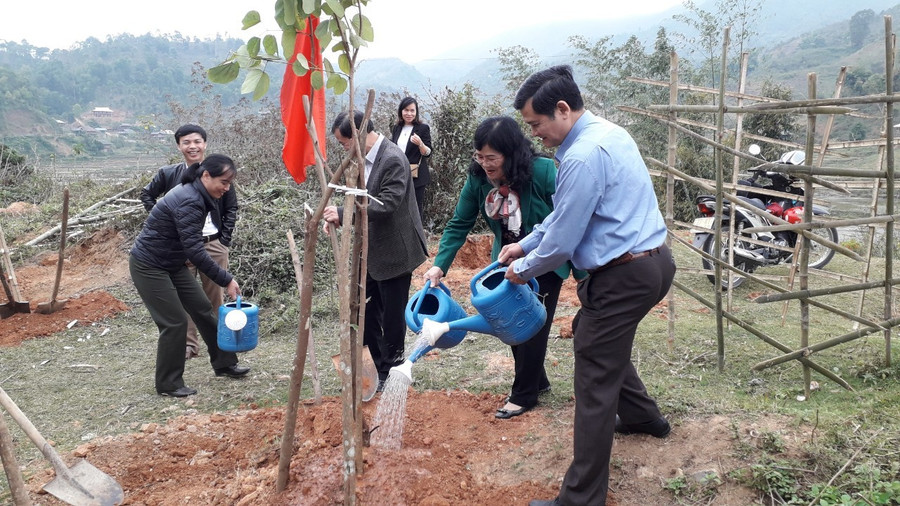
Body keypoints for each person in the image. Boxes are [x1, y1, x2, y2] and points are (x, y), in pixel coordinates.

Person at [497, 65, 675, 506]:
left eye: (536, 124)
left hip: (623, 275)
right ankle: (644, 418)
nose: (534, 134)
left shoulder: (580, 157)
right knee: (595, 338)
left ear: (562, 109)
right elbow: (563, 216)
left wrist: (522, 270)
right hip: (655, 263)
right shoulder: (610, 133)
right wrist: (524, 244)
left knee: (594, 377)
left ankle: (580, 499)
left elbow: (562, 243)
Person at [422, 116, 584, 419]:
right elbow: (459, 223)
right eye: (479, 156)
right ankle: (537, 381)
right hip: (505, 260)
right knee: (511, 323)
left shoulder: (543, 171)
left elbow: (570, 219)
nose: (484, 164)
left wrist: (583, 275)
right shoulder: (478, 179)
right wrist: (439, 266)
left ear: (511, 154)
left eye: (491, 157)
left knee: (530, 324)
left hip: (544, 259)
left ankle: (524, 394)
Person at [130, 154, 250, 397]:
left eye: (229, 183)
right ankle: (169, 383)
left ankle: (224, 363)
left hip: (173, 263)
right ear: (206, 175)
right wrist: (226, 279)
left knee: (202, 308)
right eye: (224, 182)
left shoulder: (199, 193)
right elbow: (195, 251)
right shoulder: (190, 200)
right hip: (149, 265)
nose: (227, 189)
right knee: (174, 322)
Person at [324, 110, 428, 389]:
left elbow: (386, 204)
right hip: (371, 249)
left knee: (392, 315)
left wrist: (344, 214)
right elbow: (359, 197)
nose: (344, 149)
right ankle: (373, 365)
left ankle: (392, 370)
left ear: (359, 134)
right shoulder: (362, 159)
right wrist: (339, 216)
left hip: (395, 250)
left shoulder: (392, 158)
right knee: (367, 309)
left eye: (345, 142)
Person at [140, 124, 238, 360]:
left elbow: (231, 208)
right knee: (186, 297)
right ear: (179, 146)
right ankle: (189, 345)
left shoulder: (220, 173)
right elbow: (147, 194)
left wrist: (223, 238)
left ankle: (220, 344)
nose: (192, 147)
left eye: (197, 141)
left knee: (214, 298)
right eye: (186, 142)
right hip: (184, 247)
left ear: (205, 144)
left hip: (212, 243)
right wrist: (164, 221)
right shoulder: (170, 175)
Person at [390, 97, 432, 227]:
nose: (409, 113)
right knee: (399, 205)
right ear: (401, 111)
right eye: (406, 110)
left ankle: (417, 233)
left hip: (416, 175)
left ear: (416, 112)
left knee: (416, 207)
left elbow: (428, 153)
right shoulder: (397, 128)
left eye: (412, 110)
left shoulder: (423, 128)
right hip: (399, 173)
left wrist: (420, 144)